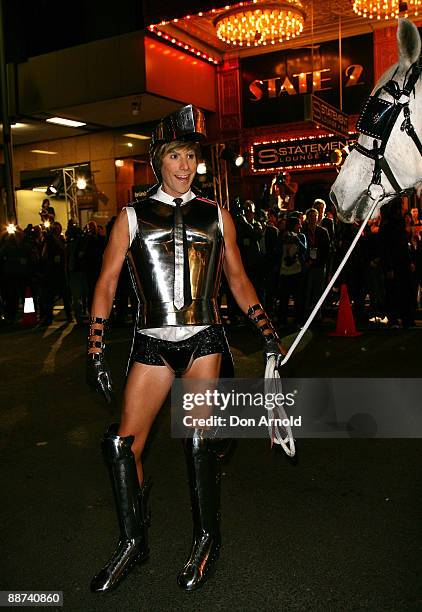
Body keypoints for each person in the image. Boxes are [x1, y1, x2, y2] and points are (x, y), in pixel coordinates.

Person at [86, 104, 284, 594]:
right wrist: (94, 347)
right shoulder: (130, 218)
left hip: (203, 340)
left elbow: (237, 280)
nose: (182, 165)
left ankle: (206, 539)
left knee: (197, 439)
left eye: (190, 155)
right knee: (121, 446)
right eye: (174, 154)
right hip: (151, 342)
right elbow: (107, 283)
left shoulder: (218, 216)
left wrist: (266, 330)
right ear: (158, 159)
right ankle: (134, 541)